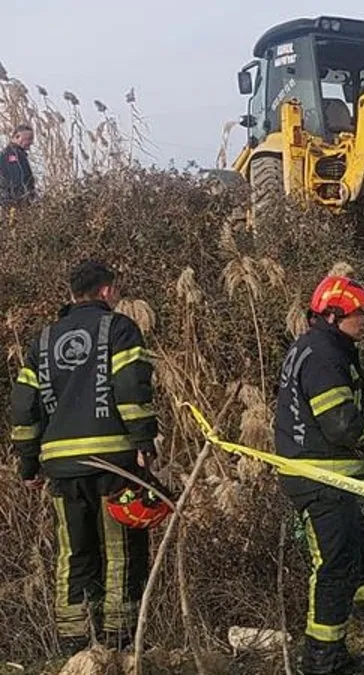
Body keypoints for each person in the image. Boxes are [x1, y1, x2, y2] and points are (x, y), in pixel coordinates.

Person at [8, 260, 160, 655]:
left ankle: (74, 646)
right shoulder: (119, 328)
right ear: (108, 291)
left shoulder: (42, 341)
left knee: (74, 552)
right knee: (120, 550)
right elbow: (131, 388)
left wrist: (28, 464)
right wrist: (144, 443)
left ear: (72, 293)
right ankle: (119, 643)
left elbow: (24, 407)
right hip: (113, 463)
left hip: (60, 467)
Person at [275, 275, 364, 674]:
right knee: (334, 563)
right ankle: (323, 657)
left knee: (355, 541)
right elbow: (340, 424)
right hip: (320, 476)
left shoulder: (319, 345)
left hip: (326, 471)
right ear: (334, 316)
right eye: (358, 314)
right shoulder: (323, 355)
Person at [1, 123, 36, 207]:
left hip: (16, 202)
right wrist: (24, 198)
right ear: (17, 137)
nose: (31, 142)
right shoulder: (12, 154)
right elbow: (17, 180)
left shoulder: (17, 153)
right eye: (28, 139)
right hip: (14, 203)